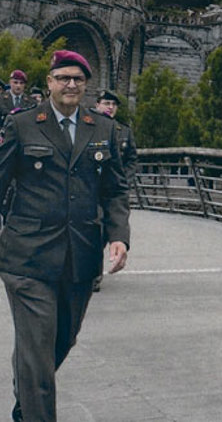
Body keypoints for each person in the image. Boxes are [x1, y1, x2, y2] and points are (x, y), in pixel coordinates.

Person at [0, 49, 130, 422]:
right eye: (63, 77)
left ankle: (27, 391)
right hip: (27, 257)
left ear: (86, 85)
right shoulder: (22, 125)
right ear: (49, 82)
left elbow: (115, 190)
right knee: (36, 349)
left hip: (80, 257)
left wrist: (120, 236)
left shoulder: (103, 128)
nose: (70, 84)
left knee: (61, 340)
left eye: (78, 79)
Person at [91, 89, 137, 293]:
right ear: (97, 105)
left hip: (113, 190)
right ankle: (93, 273)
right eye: (106, 103)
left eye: (113, 104)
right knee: (95, 230)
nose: (110, 107)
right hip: (91, 188)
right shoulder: (89, 126)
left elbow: (131, 160)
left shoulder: (123, 131)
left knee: (107, 231)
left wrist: (124, 180)